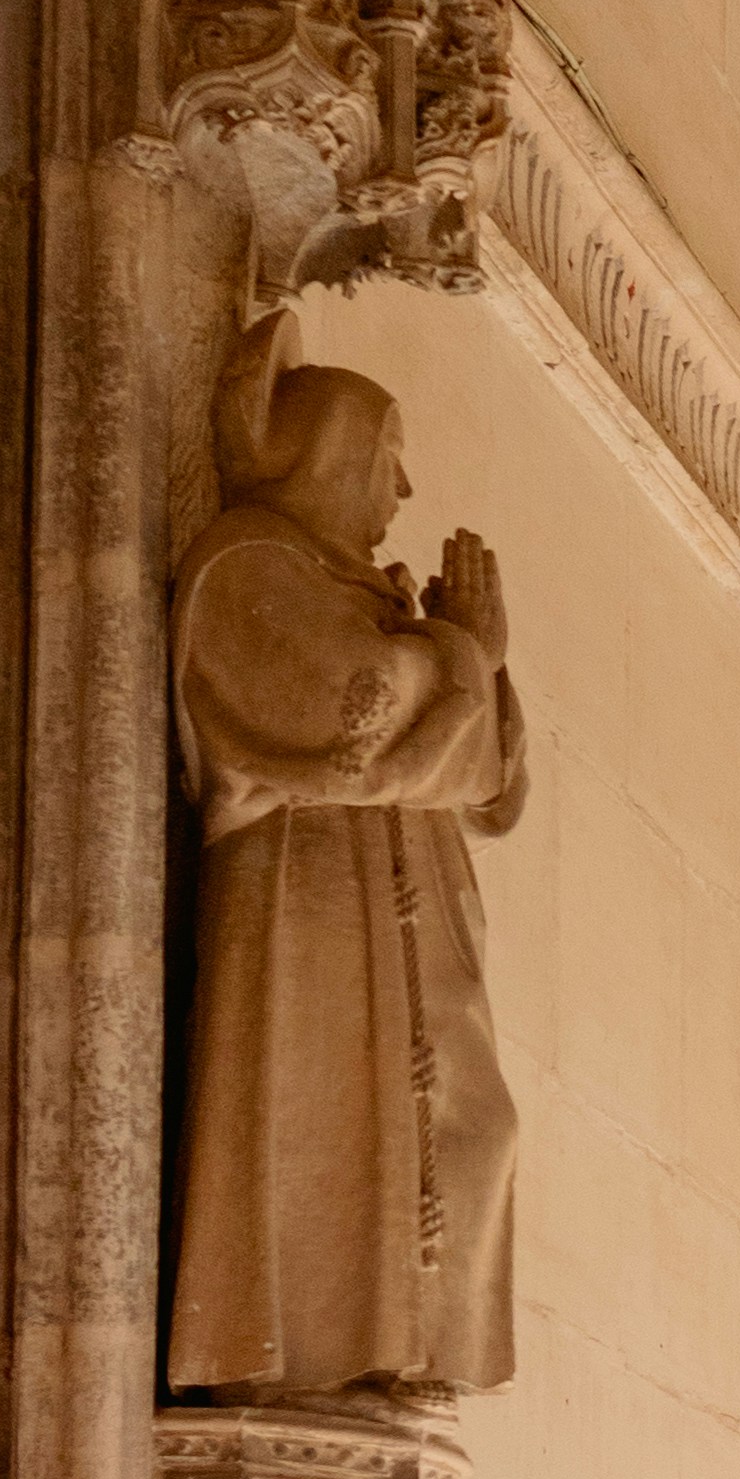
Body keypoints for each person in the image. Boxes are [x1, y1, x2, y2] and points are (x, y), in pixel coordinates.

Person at [167, 312, 523, 1393]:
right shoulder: (249, 566)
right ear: (335, 454)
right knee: (325, 1138)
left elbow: (486, 782)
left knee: (477, 1134)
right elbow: (353, 716)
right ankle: (305, 1364)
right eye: (388, 456)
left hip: (397, 929)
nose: (403, 490)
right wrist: (461, 654)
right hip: (312, 925)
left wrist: (468, 663)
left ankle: (404, 1351)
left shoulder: (374, 600)